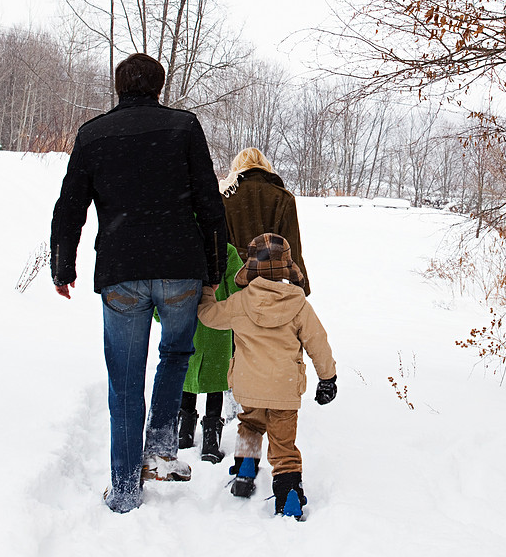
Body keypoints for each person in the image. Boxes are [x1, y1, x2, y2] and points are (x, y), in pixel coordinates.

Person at [50, 52, 227, 514]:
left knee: (125, 381)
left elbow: (70, 207)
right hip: (180, 267)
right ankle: (160, 446)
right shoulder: (184, 127)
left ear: (118, 86)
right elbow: (210, 202)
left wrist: (61, 266)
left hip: (121, 271)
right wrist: (214, 270)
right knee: (176, 354)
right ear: (159, 86)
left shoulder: (93, 135)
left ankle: (126, 489)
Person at [196, 233, 337, 519]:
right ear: (286, 268)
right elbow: (317, 342)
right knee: (283, 445)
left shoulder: (240, 302)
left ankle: (246, 468)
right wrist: (328, 378)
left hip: (248, 386)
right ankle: (289, 496)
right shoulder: (298, 304)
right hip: (284, 390)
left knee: (250, 423)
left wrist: (206, 290)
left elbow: (209, 316)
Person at [178, 241, 243, 462]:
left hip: (185, 321)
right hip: (218, 325)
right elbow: (237, 288)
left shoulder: (178, 244)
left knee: (187, 378)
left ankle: (184, 436)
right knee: (216, 381)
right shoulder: (224, 250)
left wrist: (162, 315)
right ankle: (210, 444)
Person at [220, 148, 310, 295]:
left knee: (236, 315)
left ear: (237, 166)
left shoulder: (226, 197)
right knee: (269, 314)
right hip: (271, 276)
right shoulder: (283, 197)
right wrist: (302, 286)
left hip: (235, 275)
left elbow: (220, 243)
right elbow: (292, 246)